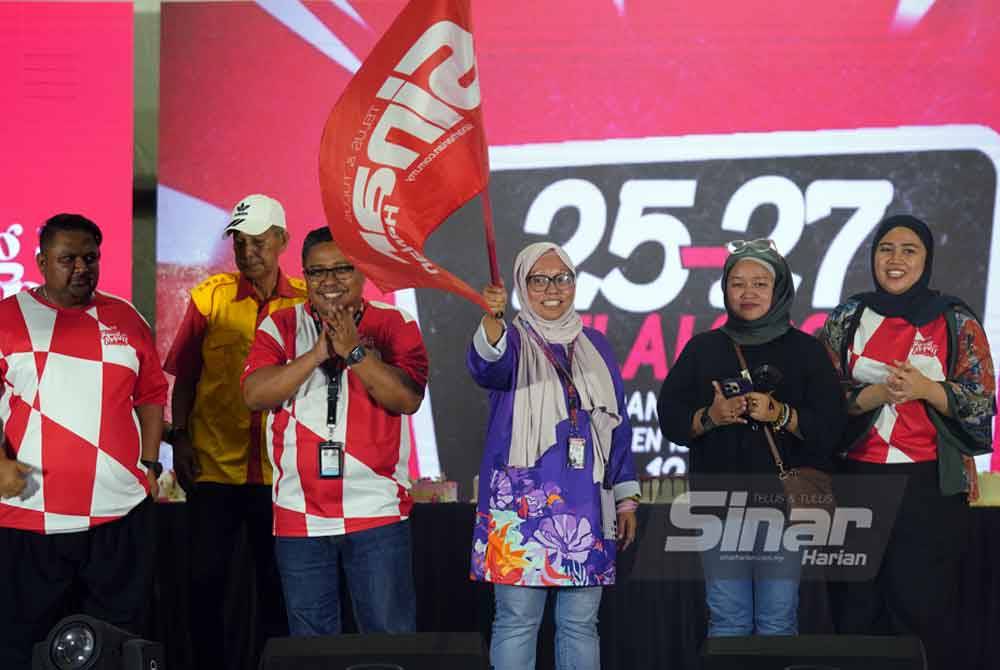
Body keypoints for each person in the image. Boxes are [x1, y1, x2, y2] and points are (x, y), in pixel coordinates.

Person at [817, 214, 995, 670]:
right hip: (856, 482)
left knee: (925, 612)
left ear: (927, 258)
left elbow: (981, 403)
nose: (895, 260)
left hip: (929, 487)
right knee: (855, 612)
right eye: (886, 249)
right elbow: (818, 397)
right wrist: (872, 396)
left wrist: (926, 390)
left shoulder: (954, 319)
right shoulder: (848, 316)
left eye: (908, 250)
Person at [0, 214, 167, 669]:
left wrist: (150, 464)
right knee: (23, 648)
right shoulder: (8, 317)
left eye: (90, 258)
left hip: (118, 516)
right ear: (40, 262)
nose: (80, 268)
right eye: (67, 259)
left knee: (121, 647)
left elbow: (151, 394)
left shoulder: (126, 318)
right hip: (30, 518)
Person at [241, 226, 428, 636]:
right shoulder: (280, 325)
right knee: (312, 653)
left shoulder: (396, 322)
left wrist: (354, 352)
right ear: (304, 276)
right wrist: (318, 353)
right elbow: (255, 395)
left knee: (389, 644)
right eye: (316, 272)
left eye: (342, 269)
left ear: (362, 271)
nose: (329, 281)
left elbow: (407, 399)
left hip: (376, 512)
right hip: (298, 515)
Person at [657, 239, 844, 637]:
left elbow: (831, 427)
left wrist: (781, 414)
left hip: (783, 510)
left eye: (760, 283)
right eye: (737, 283)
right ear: (724, 290)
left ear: (779, 290)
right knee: (728, 622)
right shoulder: (703, 348)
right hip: (719, 508)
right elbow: (670, 418)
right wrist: (711, 416)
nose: (747, 293)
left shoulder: (806, 351)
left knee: (778, 621)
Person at [468, 242, 639, 670]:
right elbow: (486, 366)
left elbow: (616, 427)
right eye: (538, 279)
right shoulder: (512, 342)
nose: (552, 288)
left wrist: (626, 497)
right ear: (523, 287)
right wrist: (492, 319)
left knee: (582, 624)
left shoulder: (596, 344)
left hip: (586, 503)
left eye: (562, 278)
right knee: (516, 621)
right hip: (519, 503)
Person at [163, 194, 303, 668]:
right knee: (204, 587)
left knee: (277, 589)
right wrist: (180, 437)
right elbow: (184, 374)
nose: (248, 254)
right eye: (240, 244)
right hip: (214, 470)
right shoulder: (211, 296)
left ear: (282, 240)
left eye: (259, 242)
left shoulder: (306, 300)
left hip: (281, 474)